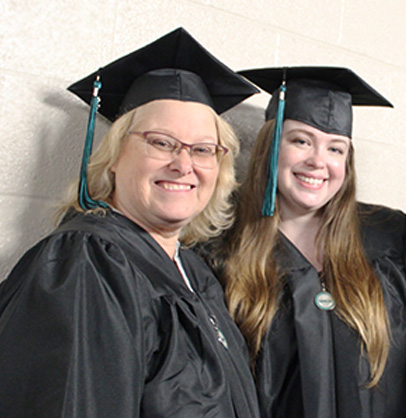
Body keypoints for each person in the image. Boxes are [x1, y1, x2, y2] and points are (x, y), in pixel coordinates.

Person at [0, 28, 262, 417]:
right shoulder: (89, 264)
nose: (184, 164)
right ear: (115, 154)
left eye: (203, 150)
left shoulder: (193, 270)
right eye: (160, 142)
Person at [215, 66, 406, 417]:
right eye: (301, 141)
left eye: (336, 149)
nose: (318, 161)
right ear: (271, 145)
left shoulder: (393, 236)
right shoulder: (221, 245)